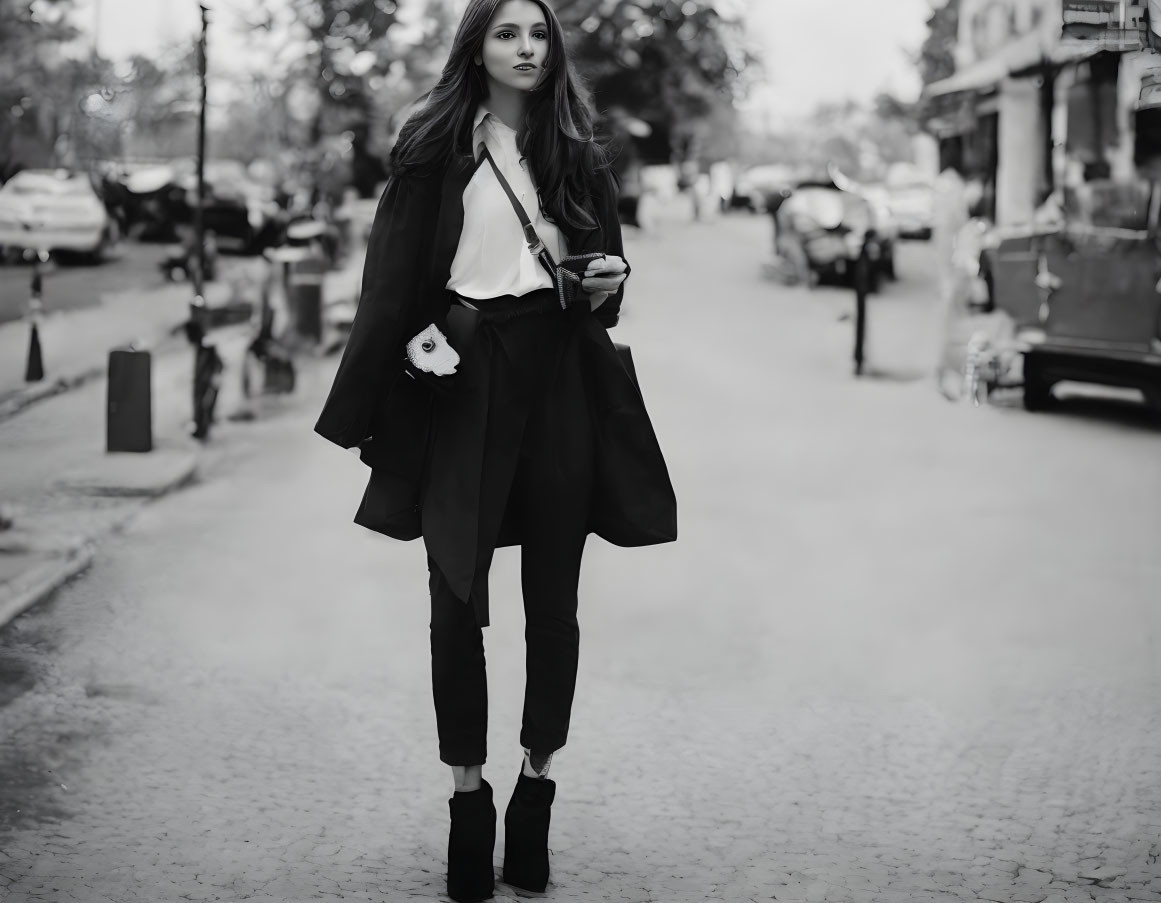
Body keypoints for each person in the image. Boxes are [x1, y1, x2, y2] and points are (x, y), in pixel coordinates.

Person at [313, 2, 677, 900]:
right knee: (454, 603)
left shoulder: (578, 155)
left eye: (537, 34)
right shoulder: (432, 152)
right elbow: (390, 286)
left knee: (553, 606)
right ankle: (466, 803)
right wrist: (371, 399)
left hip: (558, 376)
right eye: (507, 33)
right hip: (463, 379)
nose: (525, 48)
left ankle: (535, 792)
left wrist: (605, 281)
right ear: (475, 45)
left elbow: (608, 290)